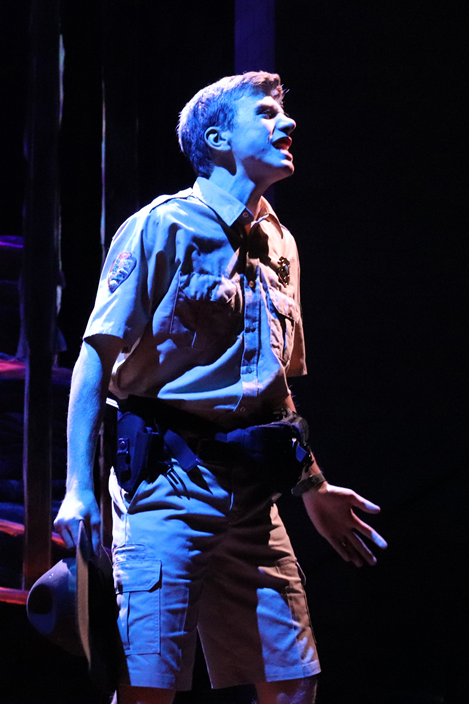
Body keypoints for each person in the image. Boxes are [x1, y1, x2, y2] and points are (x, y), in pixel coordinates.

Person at [53, 72, 387, 704]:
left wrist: (313, 488)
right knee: (148, 687)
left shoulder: (280, 243)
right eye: (265, 113)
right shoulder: (162, 226)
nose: (287, 124)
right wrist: (77, 489)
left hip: (254, 495)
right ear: (217, 138)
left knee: (293, 681)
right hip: (165, 488)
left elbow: (274, 391)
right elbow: (94, 359)